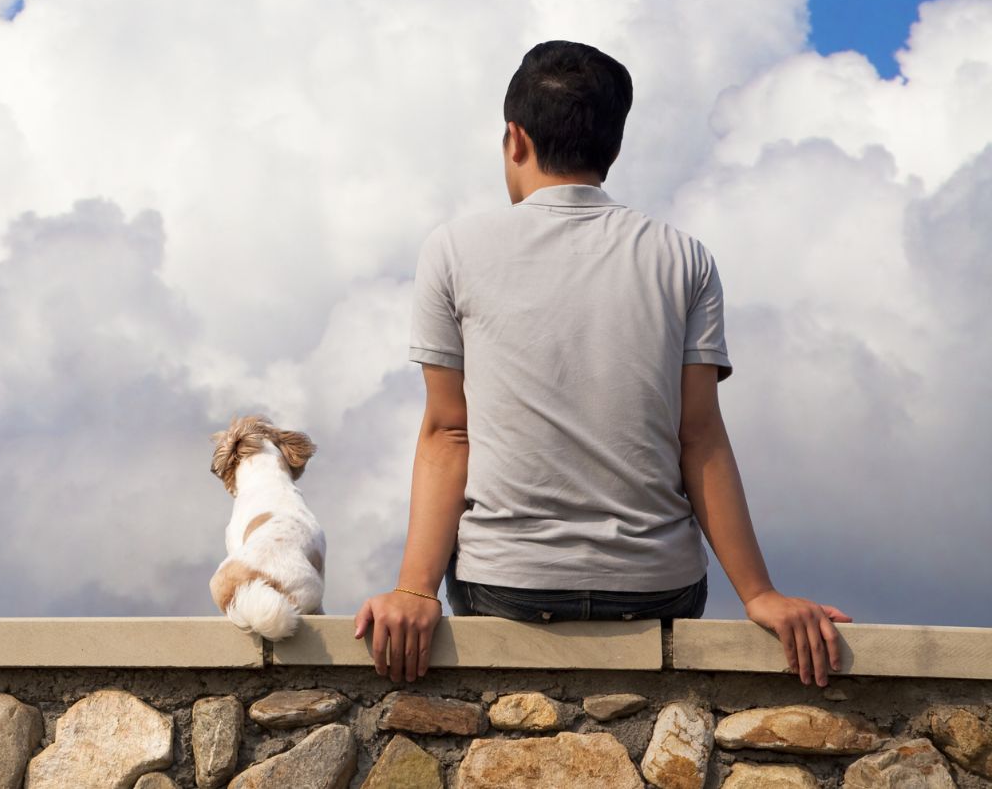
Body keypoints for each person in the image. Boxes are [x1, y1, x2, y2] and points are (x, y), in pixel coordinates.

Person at [353, 40, 851, 686]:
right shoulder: (685, 258)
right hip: (656, 592)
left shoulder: (452, 250)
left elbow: (449, 431)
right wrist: (759, 593)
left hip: (507, 587)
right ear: (611, 149)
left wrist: (415, 592)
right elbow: (698, 435)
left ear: (514, 139)